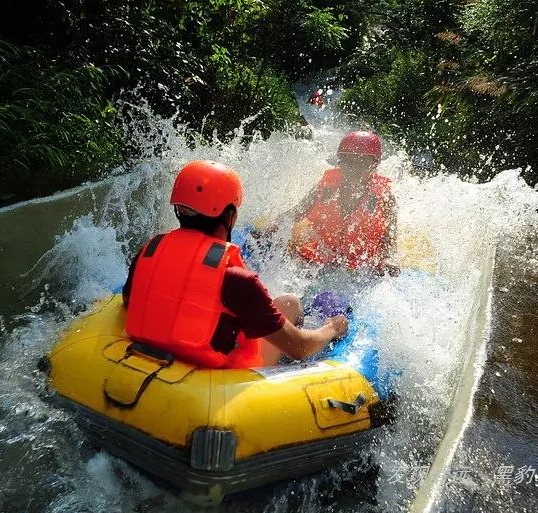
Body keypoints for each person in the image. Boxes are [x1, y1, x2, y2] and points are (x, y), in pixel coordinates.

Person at [122, 160, 348, 369]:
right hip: (214, 379)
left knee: (286, 303)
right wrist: (332, 328)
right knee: (291, 304)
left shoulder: (150, 250)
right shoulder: (237, 280)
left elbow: (129, 302)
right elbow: (301, 347)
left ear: (179, 209)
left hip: (152, 356)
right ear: (230, 216)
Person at [288, 131, 399, 275]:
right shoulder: (325, 187)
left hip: (363, 264)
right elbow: (297, 213)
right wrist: (272, 229)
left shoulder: (385, 197)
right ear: (340, 162)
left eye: (362, 163)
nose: (354, 169)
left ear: (374, 165)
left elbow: (389, 239)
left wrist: (387, 259)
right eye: (348, 162)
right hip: (325, 257)